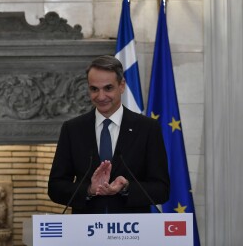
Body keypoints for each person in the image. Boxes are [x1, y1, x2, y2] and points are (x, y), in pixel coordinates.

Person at [48, 55, 169, 214]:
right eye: (94, 89)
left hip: (133, 232)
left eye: (108, 88)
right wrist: (89, 190)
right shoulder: (73, 129)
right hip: (85, 231)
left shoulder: (147, 128)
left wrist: (126, 187)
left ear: (122, 86)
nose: (101, 96)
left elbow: (161, 189)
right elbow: (56, 187)